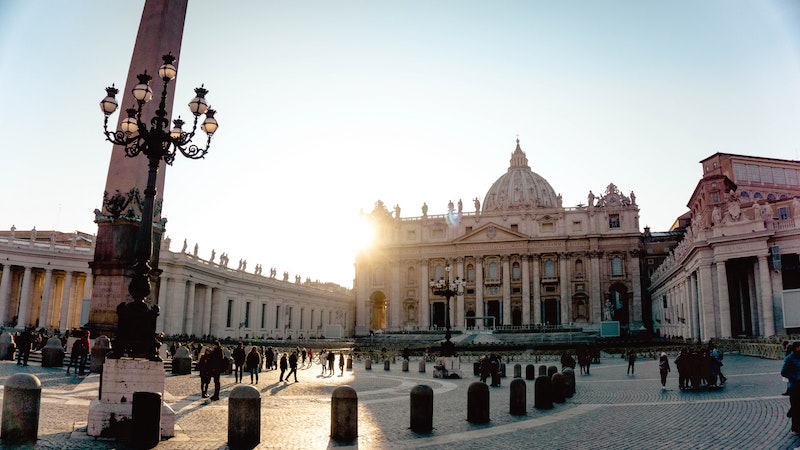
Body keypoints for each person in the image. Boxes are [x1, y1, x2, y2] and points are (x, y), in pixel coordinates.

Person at [782, 341, 800, 434]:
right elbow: (783, 372)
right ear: (796, 348)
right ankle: (795, 427)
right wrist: (795, 378)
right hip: (794, 386)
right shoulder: (789, 358)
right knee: (796, 406)